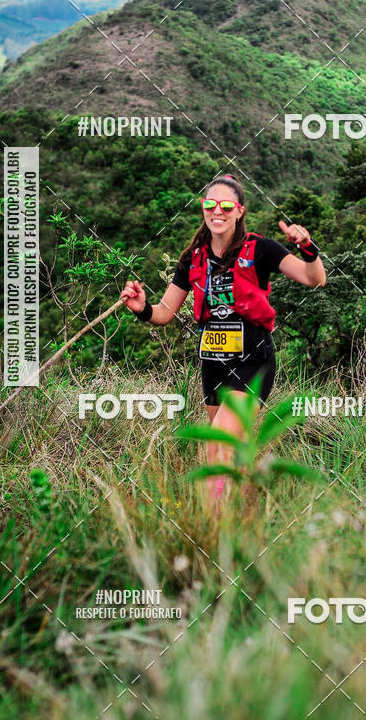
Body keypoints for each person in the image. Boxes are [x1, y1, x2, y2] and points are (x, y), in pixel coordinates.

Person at [120, 174, 326, 505]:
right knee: (230, 457)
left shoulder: (260, 249)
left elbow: (313, 278)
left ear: (239, 211)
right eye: (210, 204)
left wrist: (307, 247)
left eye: (226, 205)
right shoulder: (193, 258)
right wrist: (142, 308)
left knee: (216, 449)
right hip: (212, 365)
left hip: (252, 362)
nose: (218, 211)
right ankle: (244, 520)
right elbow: (164, 313)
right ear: (203, 209)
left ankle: (214, 530)